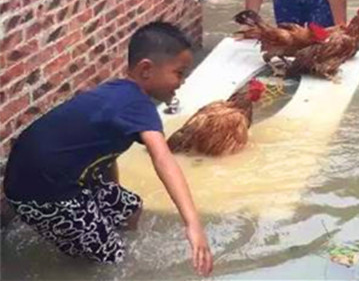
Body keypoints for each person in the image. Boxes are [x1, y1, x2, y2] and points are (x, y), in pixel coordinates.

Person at [3, 22, 213, 275]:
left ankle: (89, 242)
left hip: (52, 176)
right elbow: (163, 159)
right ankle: (84, 261)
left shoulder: (119, 93)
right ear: (146, 69)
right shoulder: (138, 106)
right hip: (43, 192)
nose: (181, 82)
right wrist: (193, 224)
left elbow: (104, 150)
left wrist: (110, 191)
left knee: (131, 207)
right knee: (112, 258)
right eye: (179, 73)